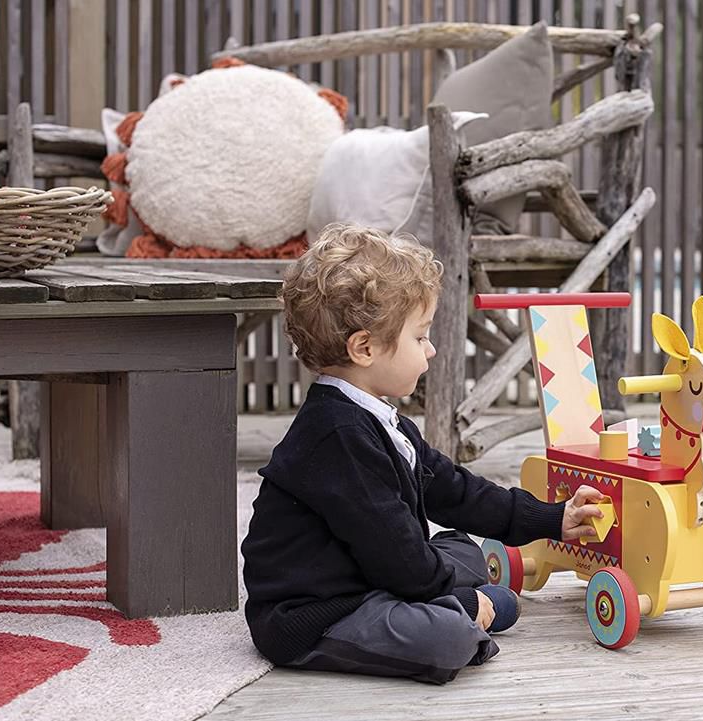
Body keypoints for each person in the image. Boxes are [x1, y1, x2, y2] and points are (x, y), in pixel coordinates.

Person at [241, 224, 604, 684]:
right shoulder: (336, 437)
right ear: (365, 348)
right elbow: (393, 551)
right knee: (448, 638)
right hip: (318, 609)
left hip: (371, 571)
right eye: (420, 337)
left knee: (460, 545)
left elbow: (455, 491)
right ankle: (465, 617)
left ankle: (460, 604)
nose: (430, 351)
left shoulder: (380, 421)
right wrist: (464, 601)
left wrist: (552, 518)